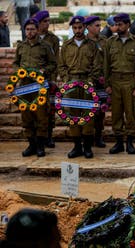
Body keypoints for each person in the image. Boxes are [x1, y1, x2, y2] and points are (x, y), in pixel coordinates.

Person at [13, 18, 57, 157]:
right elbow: (15, 63)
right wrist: (18, 71)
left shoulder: (45, 46)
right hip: (24, 86)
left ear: (37, 30)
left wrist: (44, 71)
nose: (30, 32)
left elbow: (53, 64)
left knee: (41, 116)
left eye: (32, 29)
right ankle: (31, 145)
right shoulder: (21, 46)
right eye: (27, 29)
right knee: (26, 116)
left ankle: (40, 146)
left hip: (39, 86)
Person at [59, 16, 99, 159]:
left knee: (88, 114)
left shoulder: (92, 45)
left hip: (87, 82)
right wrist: (66, 79)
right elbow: (61, 65)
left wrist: (90, 80)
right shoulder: (66, 45)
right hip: (71, 83)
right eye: (75, 28)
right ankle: (77, 147)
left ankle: (87, 147)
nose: (78, 30)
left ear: (85, 27)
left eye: (80, 27)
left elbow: (97, 65)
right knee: (73, 114)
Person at [104, 13, 135, 155]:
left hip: (129, 82)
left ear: (128, 25)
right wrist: (107, 84)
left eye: (120, 24)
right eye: (116, 24)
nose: (117, 27)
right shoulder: (110, 42)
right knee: (116, 113)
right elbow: (106, 65)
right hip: (114, 82)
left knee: (130, 113)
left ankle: (130, 143)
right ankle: (119, 142)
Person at [33, 10, 60, 148]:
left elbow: (56, 61)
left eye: (49, 21)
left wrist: (54, 80)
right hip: (33, 82)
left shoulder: (53, 39)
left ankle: (49, 135)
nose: (48, 24)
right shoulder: (32, 37)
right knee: (36, 109)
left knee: (49, 109)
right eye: (45, 21)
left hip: (48, 79)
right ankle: (38, 138)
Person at [85, 15, 107, 148]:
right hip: (88, 80)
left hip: (101, 81)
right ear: (88, 27)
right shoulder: (84, 42)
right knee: (87, 110)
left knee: (100, 111)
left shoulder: (104, 41)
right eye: (97, 25)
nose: (100, 28)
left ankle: (98, 136)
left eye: (100, 25)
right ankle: (87, 136)